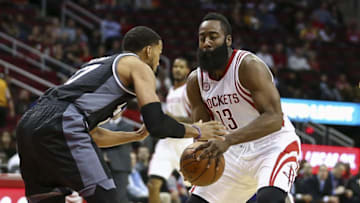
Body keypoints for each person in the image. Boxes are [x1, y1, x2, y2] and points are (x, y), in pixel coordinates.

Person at [16, 26, 226, 203]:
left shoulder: (97, 64)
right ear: (149, 51)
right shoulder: (138, 66)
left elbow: (92, 135)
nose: (158, 61)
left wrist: (133, 136)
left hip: (29, 123)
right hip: (62, 120)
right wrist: (197, 130)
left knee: (48, 198)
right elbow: (157, 124)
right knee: (106, 196)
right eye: (159, 54)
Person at [186, 13, 301, 203]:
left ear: (228, 40)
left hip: (272, 144)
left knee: (268, 200)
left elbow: (274, 118)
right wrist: (195, 159)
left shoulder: (248, 66)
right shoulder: (195, 81)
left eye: (213, 37)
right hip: (231, 153)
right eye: (202, 38)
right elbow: (202, 130)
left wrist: (228, 140)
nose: (206, 42)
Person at [147, 57, 193, 203]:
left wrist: (171, 118)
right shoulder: (171, 90)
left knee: (197, 189)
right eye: (175, 66)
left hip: (186, 143)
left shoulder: (189, 90)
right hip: (167, 143)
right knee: (153, 184)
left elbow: (198, 121)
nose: (177, 69)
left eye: (181, 66)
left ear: (187, 70)